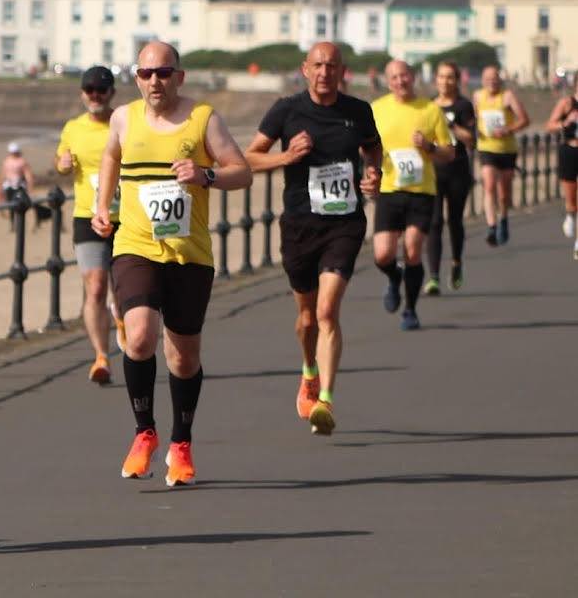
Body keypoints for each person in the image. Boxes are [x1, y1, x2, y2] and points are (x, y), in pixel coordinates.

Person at [93, 41, 251, 487]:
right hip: (136, 245)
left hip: (189, 253)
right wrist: (103, 205)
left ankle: (181, 442)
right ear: (136, 78)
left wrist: (206, 175)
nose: (154, 81)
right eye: (145, 74)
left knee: (183, 357)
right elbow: (110, 156)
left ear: (179, 76)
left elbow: (242, 170)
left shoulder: (203, 118)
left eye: (163, 72)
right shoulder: (123, 118)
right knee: (139, 336)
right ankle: (145, 432)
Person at [245, 42, 381, 435]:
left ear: (343, 72)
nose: (325, 72)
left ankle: (326, 401)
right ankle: (309, 371)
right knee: (306, 320)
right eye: (318, 65)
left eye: (332, 66)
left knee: (326, 312)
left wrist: (373, 174)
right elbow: (248, 157)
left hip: (344, 223)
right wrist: (285, 158)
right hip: (300, 225)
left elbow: (373, 150)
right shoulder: (286, 111)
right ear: (306, 70)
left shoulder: (358, 112)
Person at [370, 60, 454, 332]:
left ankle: (410, 310)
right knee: (383, 254)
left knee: (413, 250)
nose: (400, 81)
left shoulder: (431, 110)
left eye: (404, 75)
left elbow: (449, 153)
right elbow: (365, 147)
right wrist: (370, 161)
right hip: (388, 189)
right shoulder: (377, 108)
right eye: (394, 77)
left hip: (421, 191)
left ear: (413, 77)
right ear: (387, 80)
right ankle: (394, 278)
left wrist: (428, 146)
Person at [54, 64, 125, 385]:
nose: (95, 96)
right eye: (89, 90)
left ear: (111, 93)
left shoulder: (124, 123)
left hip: (128, 216)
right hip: (88, 214)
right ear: (82, 93)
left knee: (125, 289)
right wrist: (63, 164)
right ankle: (101, 356)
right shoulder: (73, 128)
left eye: (101, 90)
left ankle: (123, 319)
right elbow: (61, 163)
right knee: (95, 285)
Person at [427, 61, 477, 292]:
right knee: (434, 222)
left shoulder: (464, 106)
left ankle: (456, 261)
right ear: (435, 79)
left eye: (450, 77)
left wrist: (451, 125)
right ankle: (434, 276)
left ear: (457, 80)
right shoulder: (428, 105)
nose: (445, 81)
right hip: (434, 171)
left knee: (454, 221)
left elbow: (471, 138)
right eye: (441, 77)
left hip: (457, 169)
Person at [474, 65, 531, 246]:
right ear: (483, 81)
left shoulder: (507, 96)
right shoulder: (477, 96)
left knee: (504, 193)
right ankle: (491, 226)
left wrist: (507, 129)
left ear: (500, 79)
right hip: (486, 148)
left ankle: (504, 218)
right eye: (488, 78)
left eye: (495, 78)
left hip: (507, 149)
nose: (492, 82)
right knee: (489, 185)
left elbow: (524, 120)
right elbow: (473, 119)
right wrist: (475, 131)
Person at [545, 79, 578, 259]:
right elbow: (549, 125)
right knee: (572, 198)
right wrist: (564, 124)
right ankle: (571, 214)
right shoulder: (567, 104)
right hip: (570, 151)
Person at [0, 141, 36, 231]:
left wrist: (30, 189)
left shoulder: (22, 162)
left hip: (20, 186)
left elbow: (28, 176)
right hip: (9, 186)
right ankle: (13, 224)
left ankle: (20, 223)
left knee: (21, 205)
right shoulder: (7, 161)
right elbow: (2, 174)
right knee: (11, 205)